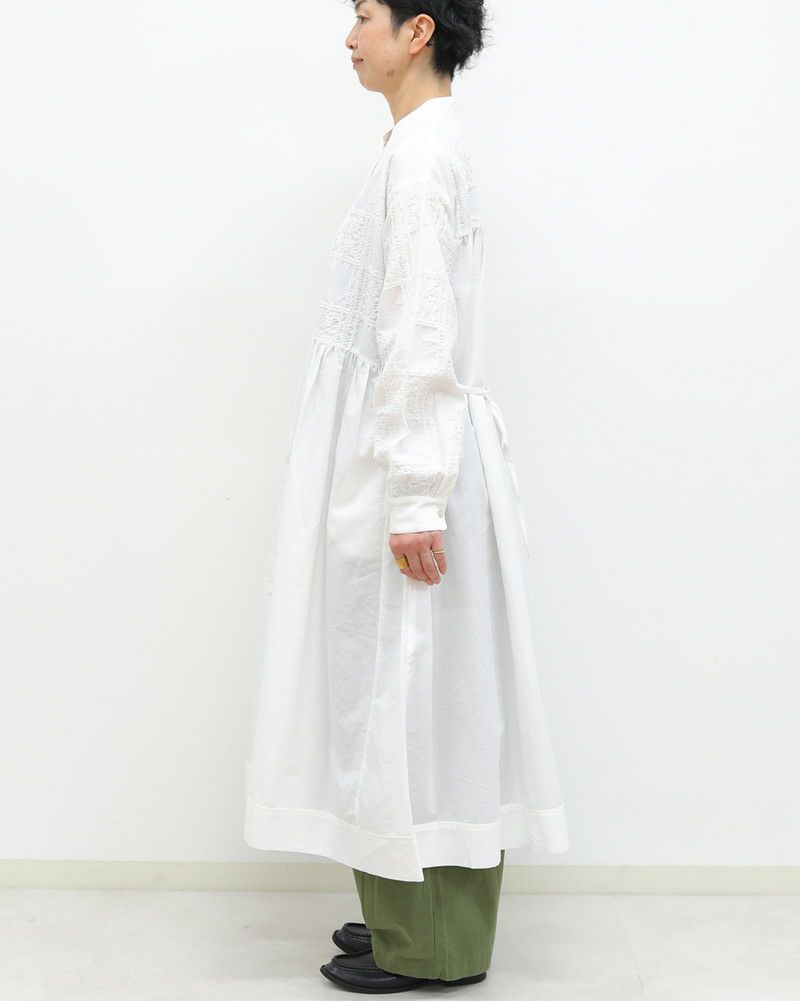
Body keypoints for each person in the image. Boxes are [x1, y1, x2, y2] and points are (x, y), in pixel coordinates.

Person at [244, 0, 570, 991]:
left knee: (413, 696)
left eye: (364, 17)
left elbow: (420, 326)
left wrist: (416, 493)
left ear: (418, 31)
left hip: (411, 461)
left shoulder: (422, 153)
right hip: (400, 452)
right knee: (406, 694)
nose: (349, 38)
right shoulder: (417, 145)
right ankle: (407, 912)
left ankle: (428, 942)